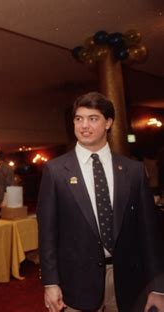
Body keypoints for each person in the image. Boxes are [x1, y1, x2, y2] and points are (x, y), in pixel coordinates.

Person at [37, 92, 164, 312]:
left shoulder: (133, 171)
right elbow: (47, 233)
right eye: (78, 119)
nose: (84, 125)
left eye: (93, 118)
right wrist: (50, 283)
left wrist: (158, 286)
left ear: (108, 122)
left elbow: (149, 232)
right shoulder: (55, 171)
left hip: (128, 282)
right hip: (75, 284)